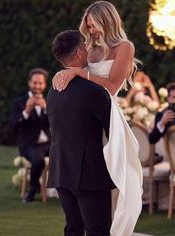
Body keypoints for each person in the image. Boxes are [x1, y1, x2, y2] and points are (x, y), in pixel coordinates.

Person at [52, 2, 143, 236]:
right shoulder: (87, 48)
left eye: (94, 25)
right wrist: (64, 73)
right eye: (88, 25)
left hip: (106, 110)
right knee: (83, 211)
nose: (91, 30)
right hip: (84, 114)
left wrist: (78, 72)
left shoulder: (124, 47)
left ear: (108, 20)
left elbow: (111, 87)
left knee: (113, 179)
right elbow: (74, 66)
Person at [47, 30, 115, 236]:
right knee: (98, 231)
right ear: (78, 52)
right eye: (85, 46)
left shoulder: (53, 90)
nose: (88, 49)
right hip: (88, 171)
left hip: (60, 168)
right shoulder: (93, 90)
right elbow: (116, 131)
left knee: (74, 228)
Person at [10, 68, 51, 203]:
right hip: (29, 145)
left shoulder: (49, 101)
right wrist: (26, 111)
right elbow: (14, 126)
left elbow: (58, 123)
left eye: (40, 83)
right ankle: (32, 189)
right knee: (38, 160)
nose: (37, 86)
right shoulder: (19, 103)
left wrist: (46, 108)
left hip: (49, 143)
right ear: (29, 83)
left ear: (44, 85)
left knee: (69, 152)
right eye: (34, 83)